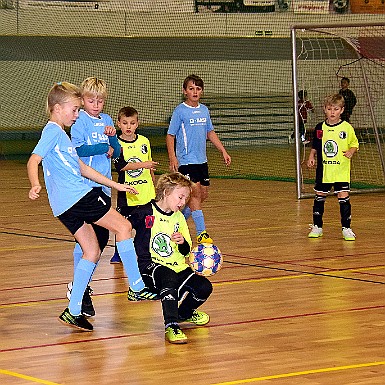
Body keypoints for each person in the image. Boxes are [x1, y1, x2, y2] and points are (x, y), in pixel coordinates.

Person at [27, 82, 159, 332]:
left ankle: (73, 310)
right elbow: (34, 159)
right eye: (74, 109)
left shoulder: (61, 136)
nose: (76, 115)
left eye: (78, 110)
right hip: (78, 196)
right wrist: (35, 184)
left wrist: (115, 185)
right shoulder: (53, 131)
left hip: (63, 206)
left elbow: (81, 168)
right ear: (57, 108)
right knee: (124, 227)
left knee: (92, 251)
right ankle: (137, 287)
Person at [127, 172, 213, 344]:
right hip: (151, 266)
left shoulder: (179, 217)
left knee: (204, 286)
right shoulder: (144, 212)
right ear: (166, 192)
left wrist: (181, 242)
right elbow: (122, 226)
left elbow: (186, 250)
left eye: (185, 199)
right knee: (168, 277)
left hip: (178, 266)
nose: (182, 203)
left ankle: (184, 313)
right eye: (180, 197)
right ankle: (171, 325)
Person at [68, 76, 120, 317]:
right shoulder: (79, 122)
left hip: (104, 188)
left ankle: (80, 285)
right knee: (87, 241)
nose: (96, 105)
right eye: (91, 100)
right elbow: (77, 151)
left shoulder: (108, 120)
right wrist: (103, 147)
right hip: (85, 187)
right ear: (82, 100)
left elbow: (116, 152)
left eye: (100, 101)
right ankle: (81, 287)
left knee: (99, 241)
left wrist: (111, 137)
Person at [166, 74, 231, 245]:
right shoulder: (180, 111)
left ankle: (177, 221)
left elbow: (210, 132)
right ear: (184, 91)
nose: (195, 92)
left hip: (202, 160)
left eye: (198, 88)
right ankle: (201, 233)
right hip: (186, 161)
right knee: (194, 194)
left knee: (202, 195)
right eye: (191, 88)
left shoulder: (204, 110)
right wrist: (173, 157)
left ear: (202, 91)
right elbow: (170, 135)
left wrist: (222, 150)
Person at [109, 106, 158, 268]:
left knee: (146, 224)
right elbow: (121, 166)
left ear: (137, 124)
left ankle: (144, 251)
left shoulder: (144, 141)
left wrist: (153, 185)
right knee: (122, 223)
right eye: (125, 123)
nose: (128, 127)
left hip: (146, 192)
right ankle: (118, 252)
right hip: (126, 192)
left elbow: (150, 166)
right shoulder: (116, 143)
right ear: (118, 124)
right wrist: (144, 164)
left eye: (132, 123)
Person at [307, 94, 359, 241]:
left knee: (343, 197)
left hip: (341, 171)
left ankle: (346, 228)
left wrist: (351, 151)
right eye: (329, 109)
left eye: (335, 109)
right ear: (325, 109)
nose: (332, 112)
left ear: (341, 110)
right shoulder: (320, 128)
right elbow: (316, 145)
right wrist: (311, 156)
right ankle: (317, 226)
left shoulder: (346, 128)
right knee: (319, 196)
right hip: (324, 171)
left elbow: (355, 144)